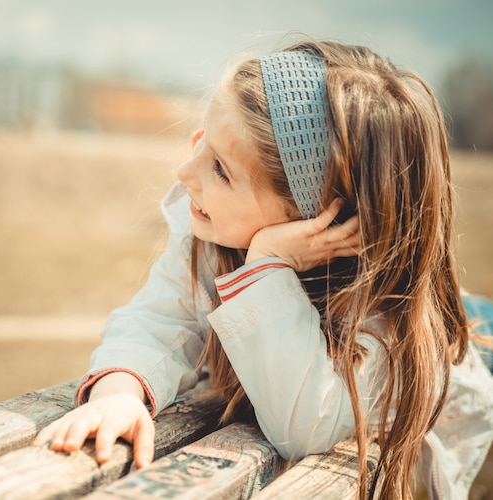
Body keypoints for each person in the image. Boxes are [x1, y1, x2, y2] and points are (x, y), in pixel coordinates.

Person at [35, 39, 493, 499]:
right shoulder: (212, 240)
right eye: (201, 139)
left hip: (477, 341)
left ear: (317, 218)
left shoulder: (386, 315)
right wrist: (119, 392)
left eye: (220, 169)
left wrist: (267, 267)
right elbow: (158, 322)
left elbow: (304, 427)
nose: (184, 173)